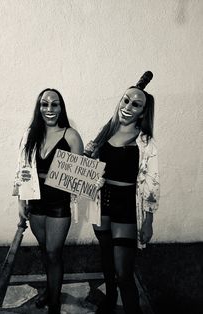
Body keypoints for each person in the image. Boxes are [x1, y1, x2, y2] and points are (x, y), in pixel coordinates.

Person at [85, 72, 160, 314]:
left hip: (127, 205)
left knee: (124, 271)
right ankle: (110, 297)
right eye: (126, 100)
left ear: (143, 111)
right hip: (102, 201)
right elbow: (94, 166)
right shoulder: (107, 131)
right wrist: (90, 153)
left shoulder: (145, 142)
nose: (128, 106)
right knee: (106, 259)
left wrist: (148, 220)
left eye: (136, 104)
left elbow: (152, 182)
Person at [12, 88, 84, 314]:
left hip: (58, 203)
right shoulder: (30, 134)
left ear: (61, 108)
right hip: (35, 201)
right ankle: (50, 290)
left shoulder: (70, 135)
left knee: (54, 252)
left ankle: (54, 301)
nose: (49, 109)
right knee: (44, 251)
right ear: (39, 107)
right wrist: (21, 201)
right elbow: (22, 168)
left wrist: (86, 171)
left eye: (55, 104)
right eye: (45, 104)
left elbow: (79, 176)